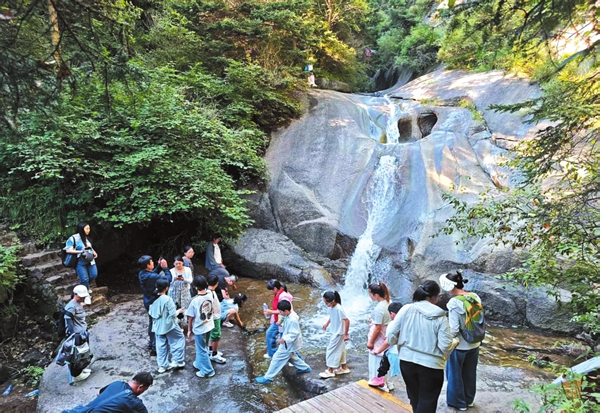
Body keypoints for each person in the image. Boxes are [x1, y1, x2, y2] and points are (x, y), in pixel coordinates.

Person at [387, 281, 458, 413]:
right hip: (431, 366)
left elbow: (391, 334)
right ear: (435, 297)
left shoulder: (406, 309)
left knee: (415, 397)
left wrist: (399, 343)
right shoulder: (440, 317)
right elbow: (446, 347)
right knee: (428, 401)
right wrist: (455, 342)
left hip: (407, 362)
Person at [440, 272, 483, 411]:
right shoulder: (474, 296)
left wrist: (445, 342)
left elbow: (454, 329)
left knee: (455, 375)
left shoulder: (454, 302)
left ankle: (459, 403)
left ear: (448, 286)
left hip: (459, 346)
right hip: (475, 343)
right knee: (470, 373)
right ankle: (469, 400)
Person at [255, 300, 311, 384]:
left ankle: (268, 378)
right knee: (292, 357)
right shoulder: (289, 315)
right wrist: (280, 321)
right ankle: (305, 368)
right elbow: (284, 319)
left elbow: (294, 333)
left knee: (276, 359)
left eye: (281, 312)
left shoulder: (292, 320)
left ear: (286, 311)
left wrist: (284, 338)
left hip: (288, 343)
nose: (280, 313)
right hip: (288, 343)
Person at [62, 372, 153, 413]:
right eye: (144, 390)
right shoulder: (135, 402)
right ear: (140, 387)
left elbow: (99, 393)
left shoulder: (117, 383)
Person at [149, 279, 186, 373]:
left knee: (160, 345)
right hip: (169, 325)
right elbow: (173, 314)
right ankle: (178, 361)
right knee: (178, 339)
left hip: (158, 325)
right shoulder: (167, 299)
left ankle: (162, 366)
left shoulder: (152, 298)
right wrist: (179, 311)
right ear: (167, 288)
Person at [138, 255, 171, 356]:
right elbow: (168, 279)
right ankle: (155, 347)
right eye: (151, 262)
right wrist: (165, 268)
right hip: (154, 302)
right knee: (157, 324)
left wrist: (159, 267)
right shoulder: (152, 277)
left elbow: (152, 274)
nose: (153, 263)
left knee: (152, 322)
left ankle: (152, 342)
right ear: (148, 265)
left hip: (148, 301)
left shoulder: (142, 273)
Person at [186, 276, 219, 378]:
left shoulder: (194, 300)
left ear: (195, 287)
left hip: (200, 328)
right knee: (203, 347)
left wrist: (189, 329)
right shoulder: (210, 295)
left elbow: (190, 317)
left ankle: (208, 370)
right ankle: (199, 363)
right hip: (209, 325)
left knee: (201, 349)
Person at [369, 301, 403, 391]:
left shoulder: (393, 324)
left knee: (384, 362)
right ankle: (388, 383)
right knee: (387, 365)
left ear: (392, 313)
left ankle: (381, 383)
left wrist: (378, 350)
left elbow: (388, 341)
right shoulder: (407, 322)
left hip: (394, 353)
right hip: (403, 352)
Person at [63, 285, 94, 382]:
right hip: (77, 334)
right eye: (81, 296)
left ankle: (81, 369)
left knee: (84, 353)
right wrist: (73, 335)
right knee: (77, 355)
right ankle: (76, 375)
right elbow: (67, 320)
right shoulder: (71, 306)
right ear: (75, 294)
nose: (83, 298)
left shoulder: (78, 303)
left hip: (82, 332)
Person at [319, 291, 350, 379]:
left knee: (331, 350)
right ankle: (344, 367)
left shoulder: (339, 309)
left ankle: (330, 370)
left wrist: (346, 334)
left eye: (326, 303)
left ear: (332, 301)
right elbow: (332, 316)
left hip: (339, 333)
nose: (326, 304)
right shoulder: (332, 307)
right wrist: (327, 323)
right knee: (341, 349)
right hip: (335, 331)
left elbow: (347, 320)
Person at [367, 282, 391, 381]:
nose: (369, 295)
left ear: (376, 295)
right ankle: (386, 382)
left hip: (379, 339)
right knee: (385, 361)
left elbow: (378, 328)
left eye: (370, 293)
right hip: (387, 336)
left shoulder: (379, 309)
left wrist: (371, 342)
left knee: (376, 362)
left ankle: (377, 382)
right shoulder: (389, 302)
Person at [263, 280, 293, 358]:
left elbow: (284, 311)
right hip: (278, 320)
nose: (271, 292)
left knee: (285, 342)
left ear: (275, 288)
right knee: (269, 333)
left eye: (271, 290)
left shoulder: (283, 296)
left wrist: (270, 312)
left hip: (283, 321)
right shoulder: (277, 294)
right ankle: (272, 354)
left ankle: (297, 359)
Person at [64, 223, 98, 293]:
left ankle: (84, 287)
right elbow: (68, 250)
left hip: (90, 260)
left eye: (89, 228)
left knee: (93, 275)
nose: (88, 230)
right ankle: (86, 292)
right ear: (81, 229)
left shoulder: (87, 237)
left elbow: (89, 247)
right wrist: (81, 251)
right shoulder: (73, 238)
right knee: (84, 279)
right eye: (87, 229)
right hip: (80, 261)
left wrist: (94, 252)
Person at [207, 274, 226, 364]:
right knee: (216, 335)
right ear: (217, 283)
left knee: (212, 335)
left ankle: (210, 349)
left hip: (212, 317)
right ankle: (214, 354)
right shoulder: (211, 293)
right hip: (215, 317)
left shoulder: (208, 291)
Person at [168, 256, 192, 325]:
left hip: (185, 292)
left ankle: (186, 323)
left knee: (185, 307)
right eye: (176, 264)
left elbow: (190, 280)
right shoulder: (171, 271)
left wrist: (184, 279)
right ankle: (178, 324)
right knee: (175, 307)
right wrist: (174, 279)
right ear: (174, 264)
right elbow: (168, 282)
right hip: (174, 292)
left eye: (179, 263)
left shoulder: (187, 270)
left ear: (182, 263)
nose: (178, 265)